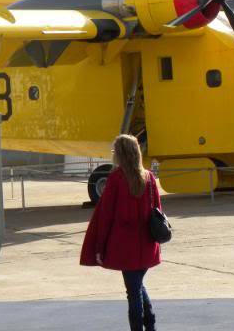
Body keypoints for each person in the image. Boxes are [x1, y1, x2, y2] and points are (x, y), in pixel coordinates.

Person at [80, 134, 162, 331]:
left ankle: (141, 328)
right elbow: (158, 210)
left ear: (121, 154)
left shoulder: (117, 178)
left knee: (133, 293)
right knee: (138, 286)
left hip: (126, 246)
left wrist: (99, 247)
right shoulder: (149, 177)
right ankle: (150, 325)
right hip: (147, 244)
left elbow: (105, 216)